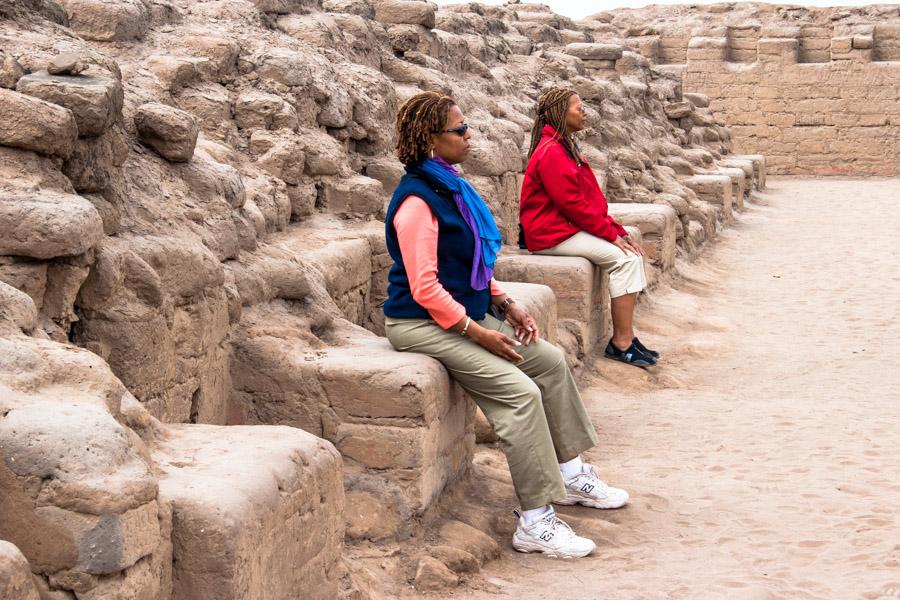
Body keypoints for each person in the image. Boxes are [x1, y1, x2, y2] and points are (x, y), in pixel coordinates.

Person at [383, 91, 629, 559]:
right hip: (419, 322)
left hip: (467, 312)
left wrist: (505, 303)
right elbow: (425, 287)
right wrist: (478, 333)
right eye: (460, 129)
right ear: (433, 139)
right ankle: (535, 522)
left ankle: (571, 474)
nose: (469, 135)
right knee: (519, 394)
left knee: (550, 362)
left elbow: (472, 262)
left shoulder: (451, 186)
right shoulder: (417, 200)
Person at [520, 87, 659, 367]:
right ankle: (621, 343)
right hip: (550, 234)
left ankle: (627, 337)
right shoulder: (552, 152)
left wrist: (616, 229)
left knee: (630, 252)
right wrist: (610, 233)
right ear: (560, 113)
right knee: (624, 260)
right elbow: (572, 204)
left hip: (563, 228)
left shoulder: (563, 146)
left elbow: (588, 203)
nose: (583, 111)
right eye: (577, 106)